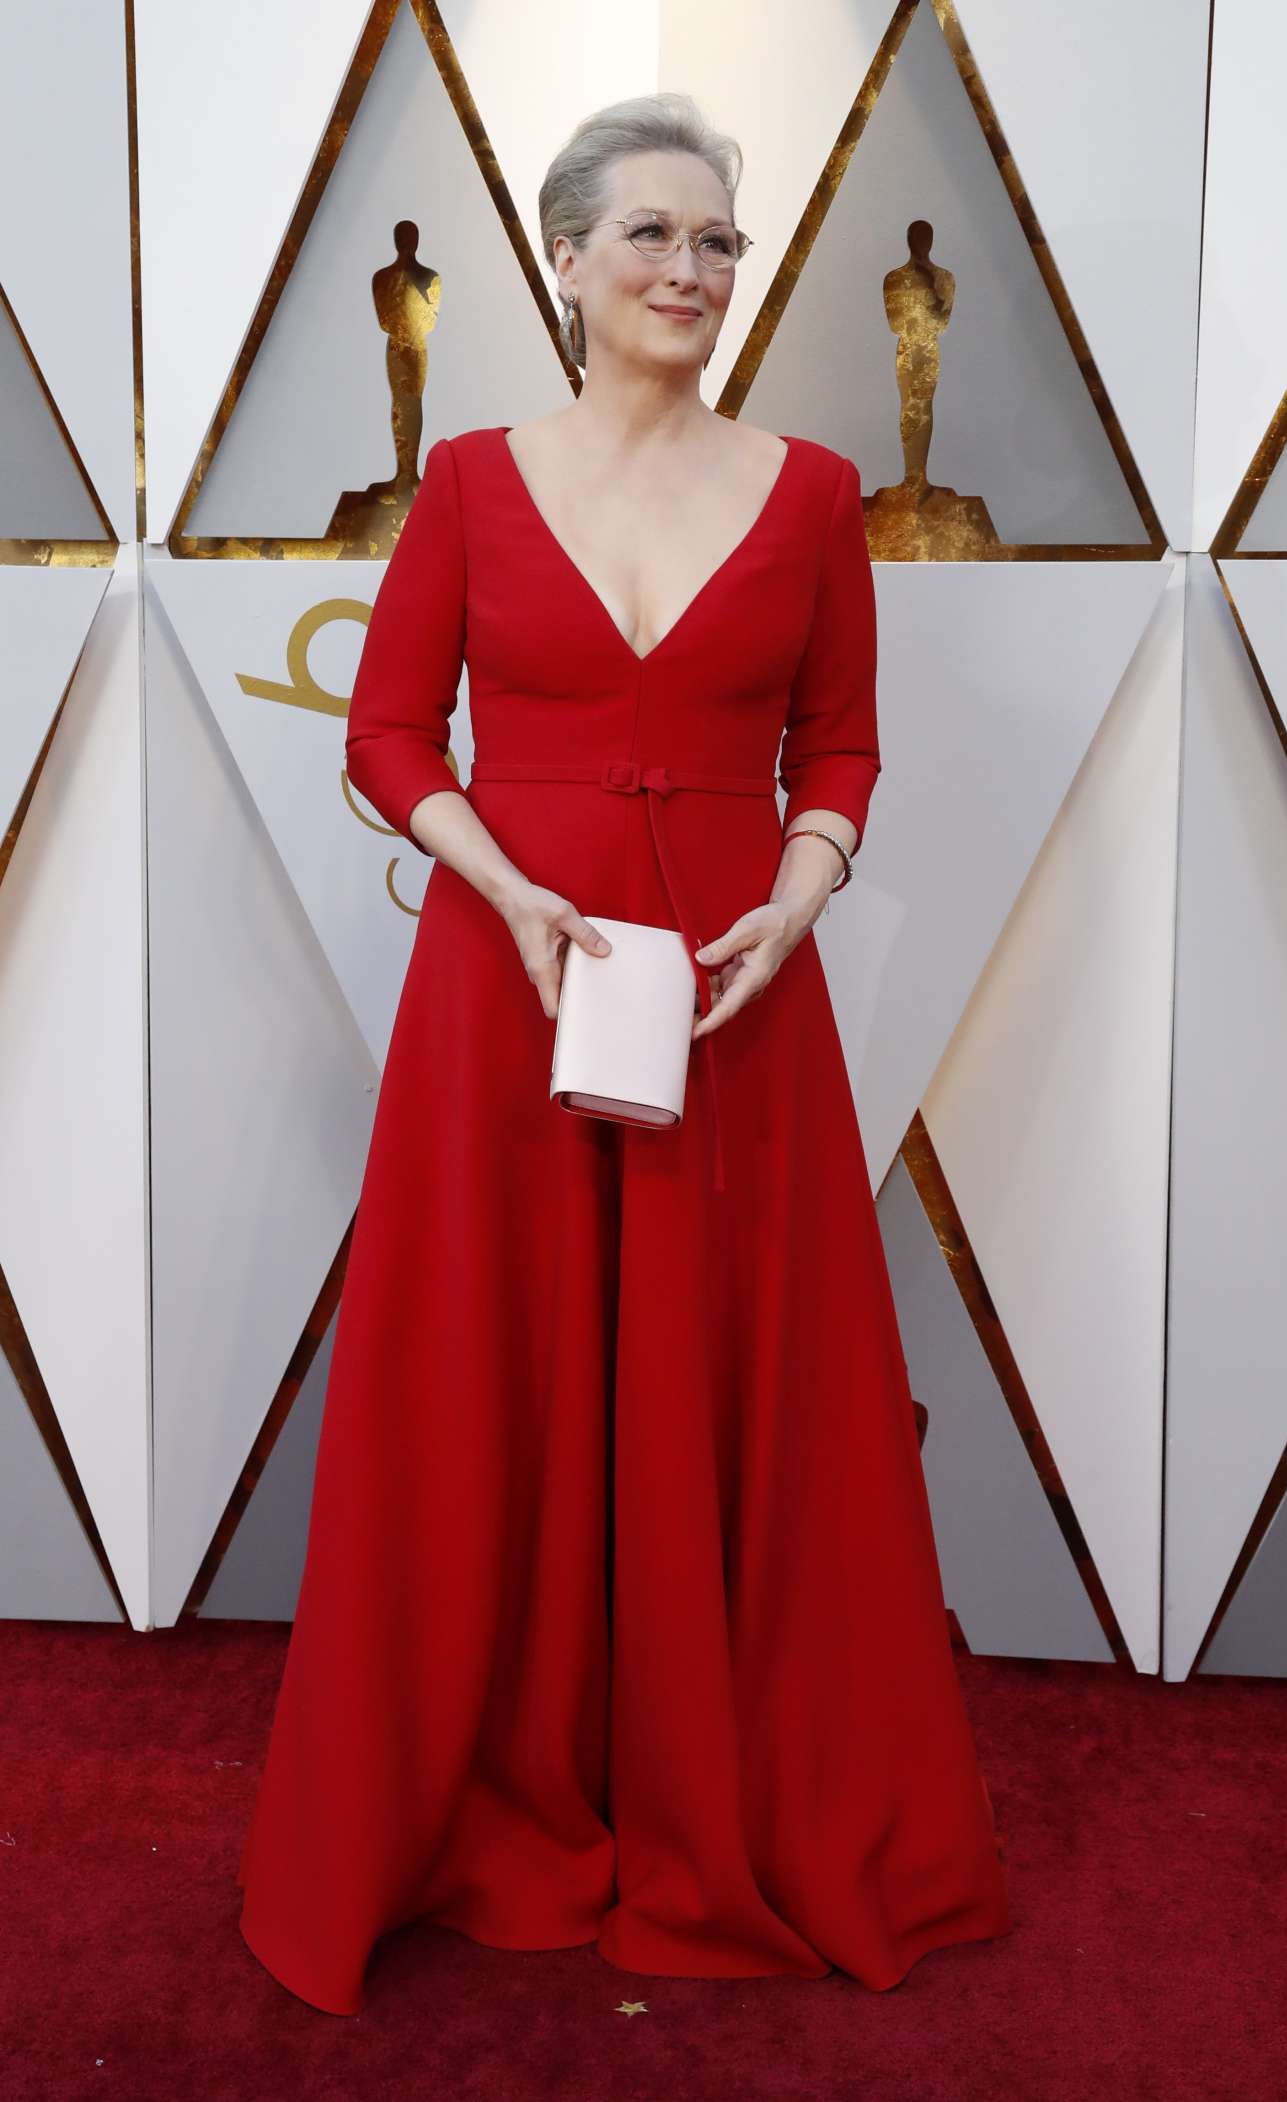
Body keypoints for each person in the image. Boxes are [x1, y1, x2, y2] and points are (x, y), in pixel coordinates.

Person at [235, 89, 1012, 2017]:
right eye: (651, 235)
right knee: (485, 1378)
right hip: (505, 983)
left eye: (716, 241)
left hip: (733, 991)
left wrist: (801, 894)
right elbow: (388, 734)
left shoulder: (814, 492)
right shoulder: (470, 485)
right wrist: (500, 881)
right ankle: (480, 1791)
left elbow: (839, 743)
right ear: (566, 260)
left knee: (728, 1380)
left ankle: (715, 1788)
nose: (690, 269)